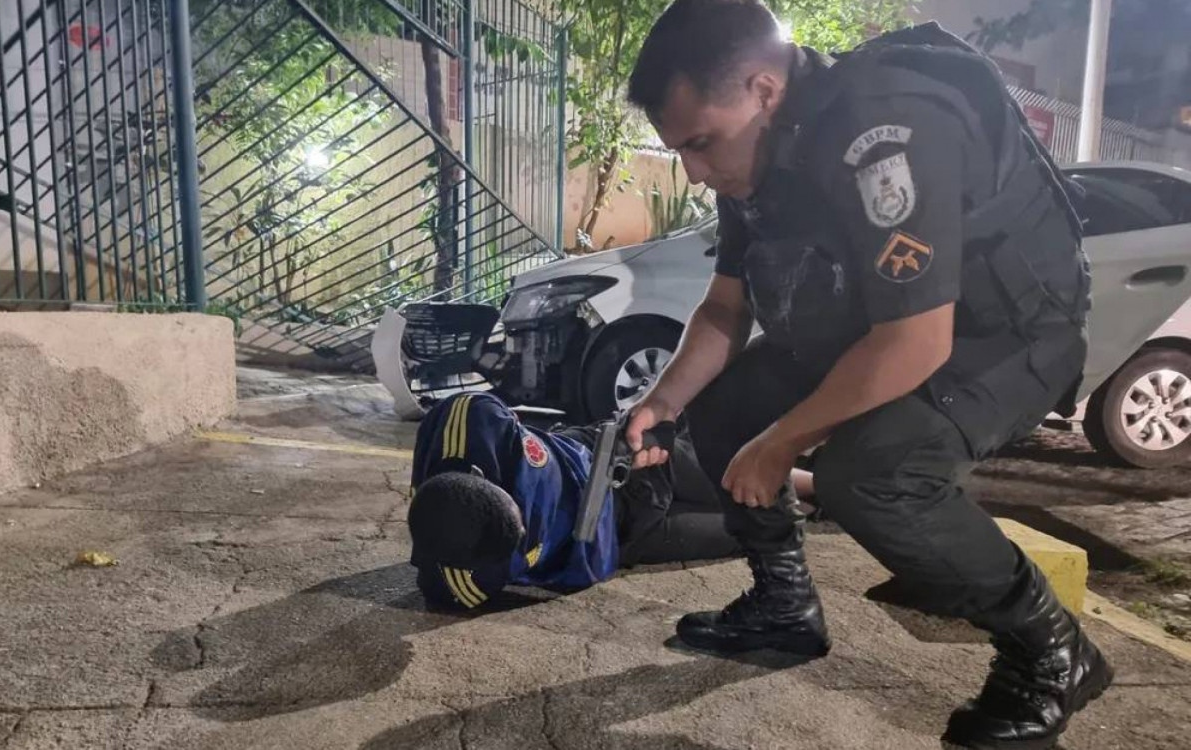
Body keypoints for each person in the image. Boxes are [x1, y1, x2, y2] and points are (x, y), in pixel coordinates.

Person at [622, 2, 1107, 748]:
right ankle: (785, 606)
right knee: (719, 417)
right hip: (878, 323)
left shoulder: (885, 126)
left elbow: (916, 341)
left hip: (1004, 333)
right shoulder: (750, 154)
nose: (692, 171)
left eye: (699, 144)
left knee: (874, 475)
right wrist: (662, 401)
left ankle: (1051, 648)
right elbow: (726, 308)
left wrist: (780, 444)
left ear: (763, 88)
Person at [407, 391, 815, 609]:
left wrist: (620, 453)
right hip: (625, 535)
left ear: (480, 473)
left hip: (616, 460)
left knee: (731, 472)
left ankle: (824, 485)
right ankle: (817, 502)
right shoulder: (460, 582)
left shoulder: (468, 419)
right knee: (753, 525)